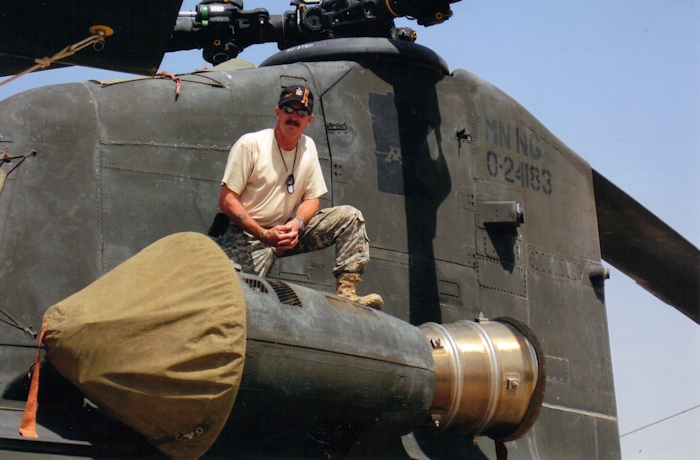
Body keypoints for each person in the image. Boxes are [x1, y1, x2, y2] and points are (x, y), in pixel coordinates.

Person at [216, 85, 383, 310]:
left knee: (349, 217)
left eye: (301, 113)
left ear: (309, 119)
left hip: (285, 232)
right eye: (288, 110)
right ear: (278, 112)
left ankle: (347, 292)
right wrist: (264, 234)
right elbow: (227, 199)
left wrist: (297, 223)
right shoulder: (251, 145)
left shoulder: (308, 148)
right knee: (234, 302)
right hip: (248, 234)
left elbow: (312, 198)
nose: (294, 117)